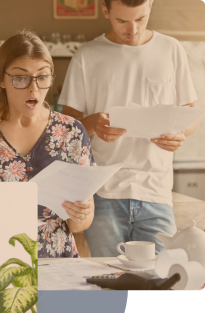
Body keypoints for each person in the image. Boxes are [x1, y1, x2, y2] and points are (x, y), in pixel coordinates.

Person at [59, 0, 200, 257]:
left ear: (150, 7)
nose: (132, 29)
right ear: (106, 11)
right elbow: (68, 126)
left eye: (140, 19)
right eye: (122, 21)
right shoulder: (87, 54)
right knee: (111, 285)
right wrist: (93, 124)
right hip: (103, 193)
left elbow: (191, 114)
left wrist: (180, 133)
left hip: (156, 191)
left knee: (161, 278)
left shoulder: (171, 49)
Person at [0, 29, 95, 258]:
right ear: (2, 80)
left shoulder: (72, 132)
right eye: (21, 77)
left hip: (56, 263)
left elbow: (79, 225)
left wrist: (81, 214)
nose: (33, 88)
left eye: (42, 77)